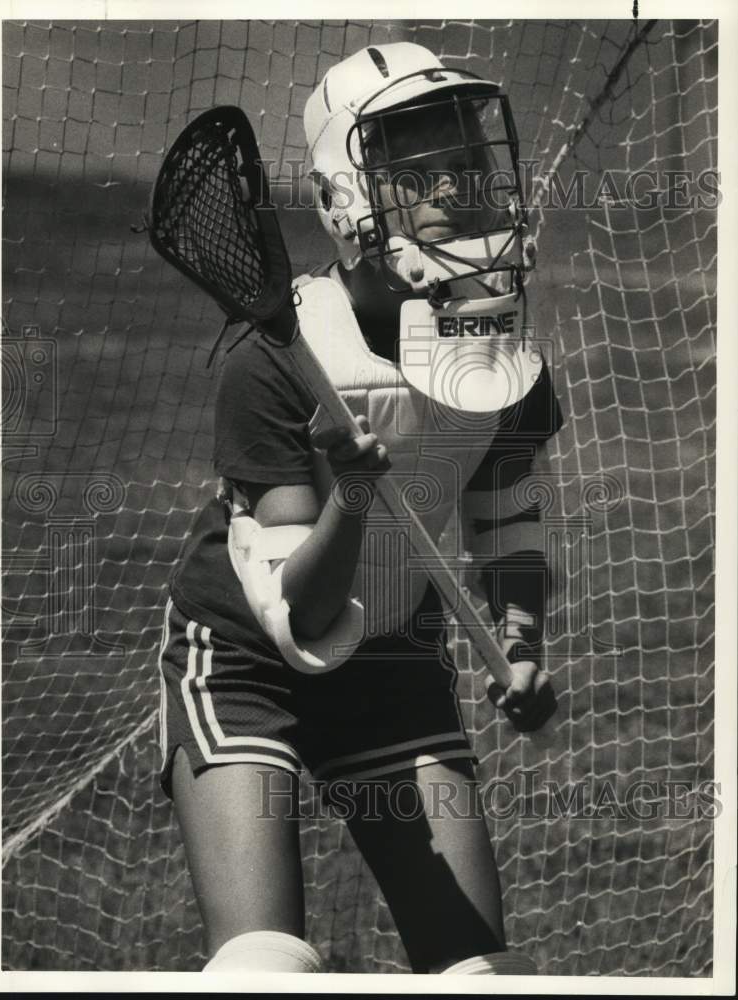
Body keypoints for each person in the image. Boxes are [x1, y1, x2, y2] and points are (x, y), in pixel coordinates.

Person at [157, 41, 562, 976]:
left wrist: (521, 640)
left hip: (392, 658)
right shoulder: (274, 364)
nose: (459, 190)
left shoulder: (511, 362)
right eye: (421, 175)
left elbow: (506, 524)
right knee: (266, 965)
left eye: (470, 164)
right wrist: (354, 497)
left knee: (473, 976)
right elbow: (297, 612)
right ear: (345, 202)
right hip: (245, 662)